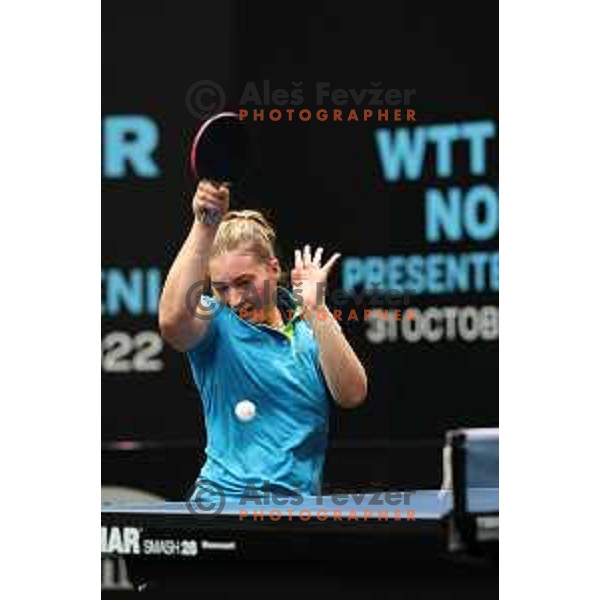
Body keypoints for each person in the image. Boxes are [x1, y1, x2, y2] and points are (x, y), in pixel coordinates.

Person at [159, 180, 368, 498]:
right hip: (223, 507)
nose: (234, 299)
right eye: (222, 287)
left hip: (297, 513)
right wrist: (205, 225)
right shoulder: (216, 322)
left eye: (244, 282)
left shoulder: (308, 328)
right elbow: (173, 322)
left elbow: (352, 393)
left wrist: (317, 309)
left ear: (273, 269)